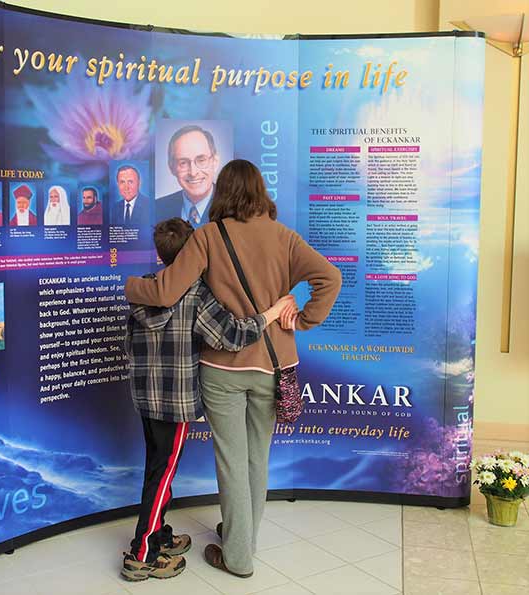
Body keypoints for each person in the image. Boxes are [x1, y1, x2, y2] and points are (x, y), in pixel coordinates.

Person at [125, 159, 341, 578]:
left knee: (230, 460)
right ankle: (241, 536)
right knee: (257, 458)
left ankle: (238, 554)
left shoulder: (207, 236)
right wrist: (304, 318)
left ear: (221, 191)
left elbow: (167, 291)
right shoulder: (285, 237)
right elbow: (329, 277)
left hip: (222, 368)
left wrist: (129, 286)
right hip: (273, 367)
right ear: (261, 192)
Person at [122, 217, 295, 582]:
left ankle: (160, 533)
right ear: (194, 254)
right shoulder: (196, 294)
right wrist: (271, 314)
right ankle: (142, 553)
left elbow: (130, 343)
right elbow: (232, 335)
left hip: (145, 397)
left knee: (157, 468)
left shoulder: (143, 289)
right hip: (178, 401)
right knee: (162, 474)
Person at [155, 125, 219, 229]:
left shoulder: (234, 207)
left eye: (201, 160)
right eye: (183, 162)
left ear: (215, 162)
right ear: (171, 167)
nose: (193, 172)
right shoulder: (157, 208)